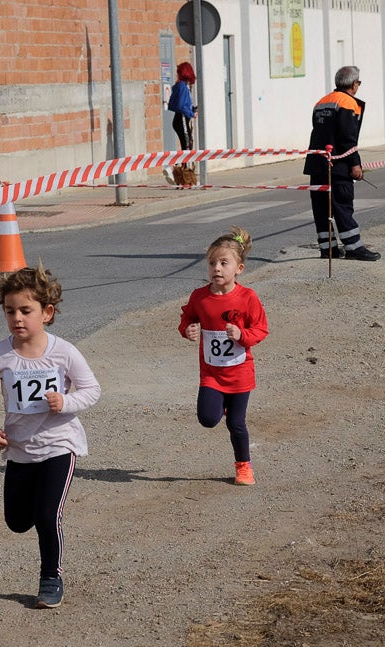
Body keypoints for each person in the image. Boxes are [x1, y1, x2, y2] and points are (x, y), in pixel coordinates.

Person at [0, 263, 101, 609]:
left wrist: (66, 401)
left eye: (25, 310)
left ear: (46, 313)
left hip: (60, 445)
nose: (17, 318)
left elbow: (92, 389)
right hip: (19, 450)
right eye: (10, 311)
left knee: (47, 516)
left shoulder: (64, 352)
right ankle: (34, 517)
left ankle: (50, 578)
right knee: (17, 522)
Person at [178, 226, 269, 486]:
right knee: (207, 419)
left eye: (223, 263)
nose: (216, 268)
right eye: (211, 263)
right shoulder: (200, 297)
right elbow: (187, 319)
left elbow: (261, 329)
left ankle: (244, 467)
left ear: (238, 269)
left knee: (236, 424)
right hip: (212, 373)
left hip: (240, 374)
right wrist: (189, 330)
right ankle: (220, 405)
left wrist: (242, 336)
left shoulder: (248, 298)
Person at [303, 65, 381, 261]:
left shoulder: (321, 102)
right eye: (359, 83)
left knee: (321, 208)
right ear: (354, 84)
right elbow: (348, 138)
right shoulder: (348, 103)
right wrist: (355, 164)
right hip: (338, 165)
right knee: (342, 205)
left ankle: (328, 249)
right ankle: (354, 247)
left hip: (317, 163)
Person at [165, 62, 198, 184]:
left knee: (187, 145)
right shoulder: (183, 87)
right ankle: (175, 169)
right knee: (187, 146)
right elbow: (180, 106)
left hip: (180, 118)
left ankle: (183, 176)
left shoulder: (180, 86)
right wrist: (191, 114)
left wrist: (192, 109)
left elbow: (179, 104)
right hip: (182, 119)